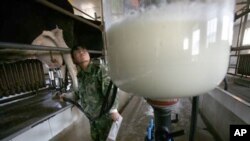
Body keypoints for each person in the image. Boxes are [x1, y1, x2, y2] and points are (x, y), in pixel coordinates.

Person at [61, 45, 120, 141]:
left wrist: (114, 111)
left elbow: (110, 91)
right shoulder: (80, 75)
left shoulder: (99, 70)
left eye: (84, 50)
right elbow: (79, 93)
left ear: (88, 54)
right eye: (77, 52)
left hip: (105, 118)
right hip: (92, 120)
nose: (81, 52)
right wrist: (66, 96)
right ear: (74, 60)